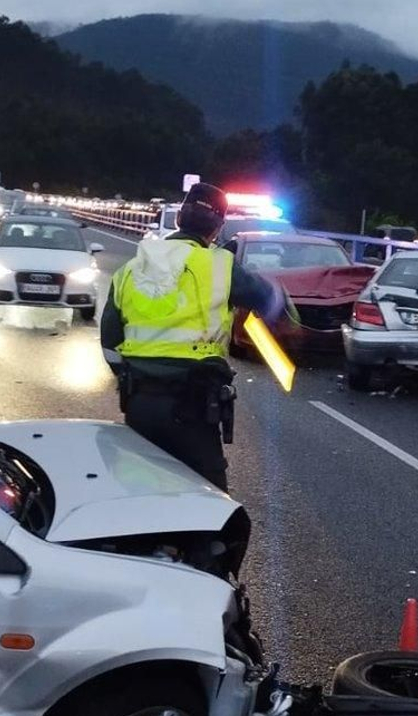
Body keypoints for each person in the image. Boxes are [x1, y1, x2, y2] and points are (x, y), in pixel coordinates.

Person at [100, 183, 286, 491]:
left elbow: (109, 342)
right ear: (217, 228)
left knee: (138, 491)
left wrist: (133, 375)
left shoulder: (131, 269)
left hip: (139, 402)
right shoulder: (220, 265)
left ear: (178, 219)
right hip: (193, 405)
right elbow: (271, 301)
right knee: (210, 501)